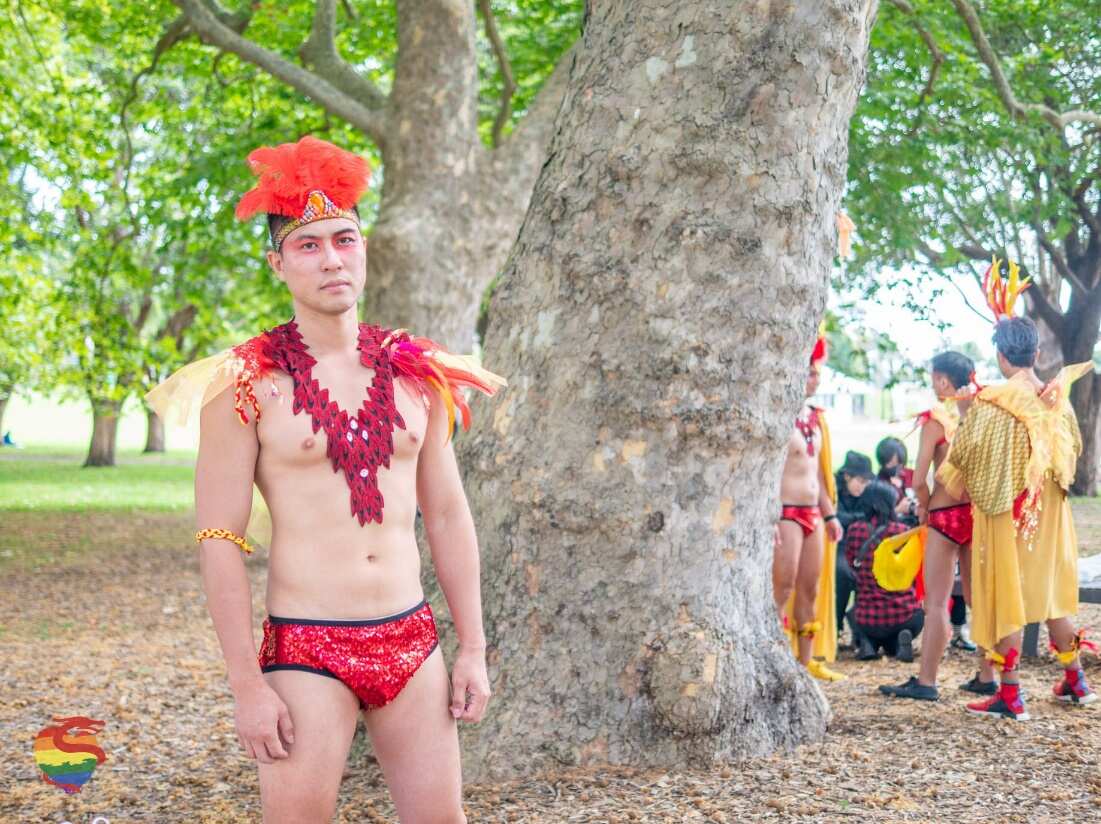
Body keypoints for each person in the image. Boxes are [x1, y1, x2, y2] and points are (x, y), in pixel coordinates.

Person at [146, 136, 506, 820]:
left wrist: (473, 649)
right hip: (307, 645)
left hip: (412, 641)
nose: (332, 259)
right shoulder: (246, 386)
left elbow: (449, 516)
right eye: (308, 246)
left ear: (364, 248)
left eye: (344, 239)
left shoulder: (417, 374)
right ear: (277, 262)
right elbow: (218, 537)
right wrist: (246, 686)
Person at [936, 259, 1095, 720]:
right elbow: (1073, 457)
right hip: (1049, 512)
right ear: (1033, 352)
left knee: (1007, 593)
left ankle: (1009, 694)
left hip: (1007, 509)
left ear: (1003, 357)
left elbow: (962, 459)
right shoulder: (1055, 398)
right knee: (1049, 591)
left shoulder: (991, 402)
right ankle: (1075, 680)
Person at [880, 351, 988, 701]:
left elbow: (919, 476)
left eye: (933, 378)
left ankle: (927, 681)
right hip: (976, 513)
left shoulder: (935, 420)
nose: (932, 384)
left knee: (938, 602)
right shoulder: (980, 414)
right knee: (977, 597)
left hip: (944, 515)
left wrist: (924, 506)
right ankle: (987, 675)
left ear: (943, 380)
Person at [775, 329, 845, 681]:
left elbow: (819, 473)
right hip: (785, 512)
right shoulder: (777, 417)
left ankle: (803, 666)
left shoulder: (817, 418)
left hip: (814, 513)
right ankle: (775, 659)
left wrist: (831, 514)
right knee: (782, 587)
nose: (814, 379)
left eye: (818, 372)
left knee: (810, 588)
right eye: (809, 371)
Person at [846, 481, 923, 661]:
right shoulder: (903, 532)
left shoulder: (854, 530)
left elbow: (851, 564)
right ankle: (899, 642)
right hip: (905, 614)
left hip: (867, 617)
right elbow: (914, 568)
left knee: (858, 615)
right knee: (916, 615)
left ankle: (867, 642)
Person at [833, 451, 874, 643]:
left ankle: (861, 632)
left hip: (859, 545)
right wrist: (859, 518)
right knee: (843, 574)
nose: (862, 487)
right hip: (836, 544)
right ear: (847, 475)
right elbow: (837, 517)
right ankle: (836, 624)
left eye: (866, 482)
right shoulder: (834, 487)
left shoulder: (867, 492)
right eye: (860, 481)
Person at [876, 436, 919, 523]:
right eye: (891, 464)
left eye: (899, 464)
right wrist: (898, 510)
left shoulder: (910, 475)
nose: (896, 468)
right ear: (882, 462)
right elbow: (877, 520)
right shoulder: (878, 484)